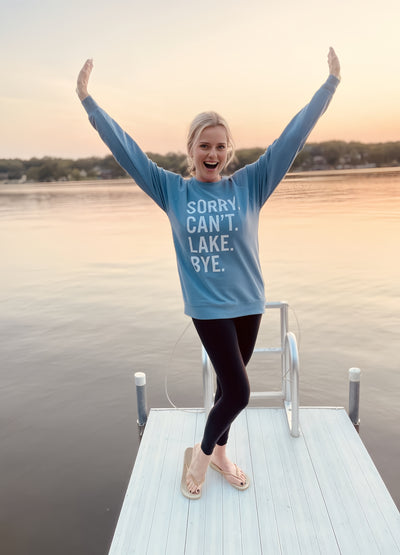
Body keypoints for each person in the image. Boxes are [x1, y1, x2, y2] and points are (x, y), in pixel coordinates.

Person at [76, 48, 341, 499]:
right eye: (204, 145)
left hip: (249, 303)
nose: (212, 153)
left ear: (228, 151)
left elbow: (291, 139)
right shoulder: (172, 189)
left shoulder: (252, 184)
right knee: (238, 392)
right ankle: (199, 457)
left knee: (225, 385)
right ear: (191, 151)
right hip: (207, 307)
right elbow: (128, 150)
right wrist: (88, 102)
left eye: (220, 146)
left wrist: (330, 84)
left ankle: (220, 454)